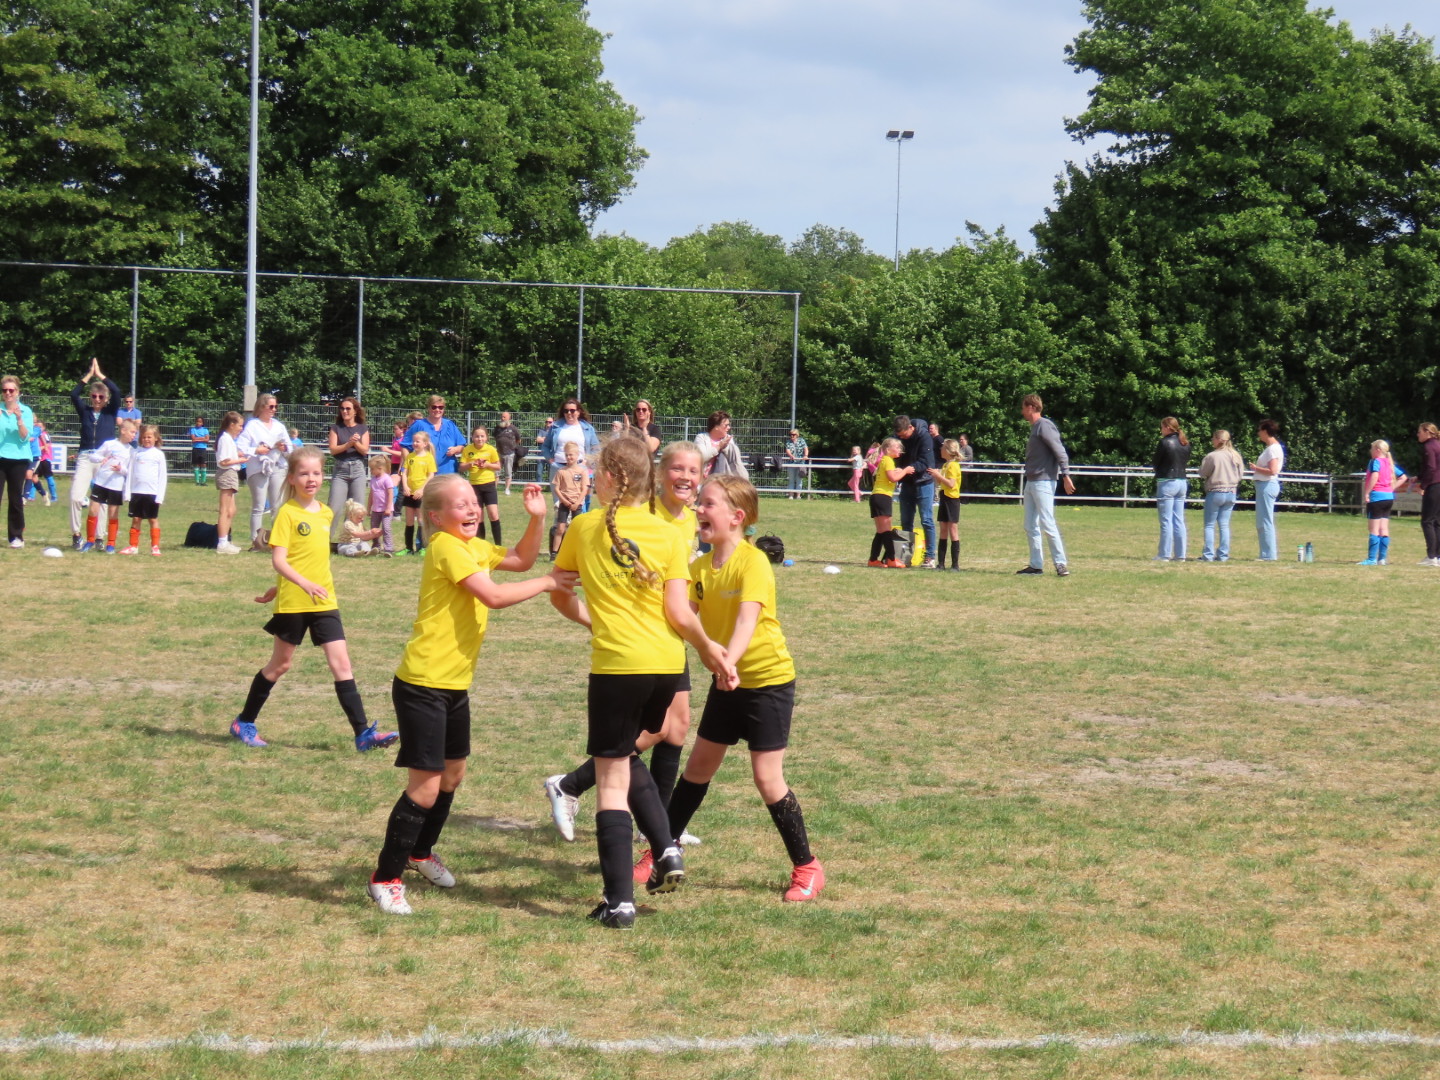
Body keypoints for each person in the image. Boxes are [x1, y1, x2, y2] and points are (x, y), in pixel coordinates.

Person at [366, 474, 573, 915]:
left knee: (452, 776)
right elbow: (493, 596)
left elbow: (520, 559)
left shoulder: (471, 546)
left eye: (474, 502)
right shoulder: (445, 547)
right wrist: (548, 582)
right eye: (460, 505)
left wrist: (536, 519)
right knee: (425, 788)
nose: (473, 509)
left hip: (454, 685)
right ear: (437, 517)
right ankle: (385, 879)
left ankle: (420, 853)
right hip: (423, 683)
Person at [548, 436, 733, 928]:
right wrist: (707, 647)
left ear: (608, 478)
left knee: (612, 780)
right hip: (666, 667)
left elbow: (560, 595)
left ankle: (620, 903)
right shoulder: (670, 533)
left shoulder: (583, 527)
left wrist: (595, 622)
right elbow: (679, 612)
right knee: (626, 756)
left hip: (617, 667)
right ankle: (666, 847)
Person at [661, 475, 824, 902]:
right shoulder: (698, 568)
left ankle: (807, 868)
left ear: (736, 517)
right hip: (726, 679)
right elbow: (680, 619)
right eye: (698, 503)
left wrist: (726, 662)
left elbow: (746, 623)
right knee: (698, 768)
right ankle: (663, 851)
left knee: (767, 778)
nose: (698, 510)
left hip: (768, 682)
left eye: (707, 504)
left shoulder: (753, 563)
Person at [544, 441, 704, 846]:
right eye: (678, 469)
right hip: (646, 640)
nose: (686, 477)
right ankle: (579, 788)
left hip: (668, 637)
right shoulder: (638, 512)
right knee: (665, 728)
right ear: (658, 474)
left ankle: (660, 825)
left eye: (694, 470)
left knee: (676, 727)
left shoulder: (687, 519)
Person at [228, 446, 398, 753]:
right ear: (292, 478)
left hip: (325, 601)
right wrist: (294, 585)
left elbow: (309, 559)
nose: (311, 479)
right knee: (280, 665)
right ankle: (244, 721)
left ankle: (363, 734)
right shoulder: (287, 513)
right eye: (304, 473)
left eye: (317, 473)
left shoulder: (326, 513)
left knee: (342, 664)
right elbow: (280, 560)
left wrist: (284, 585)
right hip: (295, 602)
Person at [1016, 395, 1074, 576]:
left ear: (1031, 407)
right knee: (1030, 525)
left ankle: (1060, 564)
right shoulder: (1035, 427)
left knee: (1047, 523)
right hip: (1032, 481)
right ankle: (1036, 565)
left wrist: (1066, 475)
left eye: (1024, 407)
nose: (1022, 411)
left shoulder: (1044, 425)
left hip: (1043, 482)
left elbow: (1059, 450)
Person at [68, 358, 121, 549]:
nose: (97, 400)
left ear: (106, 399)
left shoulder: (110, 412)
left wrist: (100, 375)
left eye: (101, 397)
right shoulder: (85, 411)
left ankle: (99, 537)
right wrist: (89, 375)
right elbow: (74, 394)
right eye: (94, 396)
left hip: (104, 458)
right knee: (76, 497)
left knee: (102, 501)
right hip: (85, 457)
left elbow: (117, 391)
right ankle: (76, 534)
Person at [238, 394, 292, 547]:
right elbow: (240, 448)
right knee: (259, 506)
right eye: (271, 406)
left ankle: (278, 540)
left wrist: (284, 448)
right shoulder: (252, 425)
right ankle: (256, 540)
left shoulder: (279, 426)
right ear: (262, 407)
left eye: (276, 407)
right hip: (258, 467)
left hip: (277, 466)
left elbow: (290, 448)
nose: (274, 409)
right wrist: (256, 450)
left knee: (277, 505)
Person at [81, 418, 136, 553]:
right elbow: (93, 457)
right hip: (101, 482)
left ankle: (111, 544)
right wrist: (102, 459)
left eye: (135, 433)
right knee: (93, 510)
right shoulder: (109, 444)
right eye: (132, 432)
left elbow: (129, 471)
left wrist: (121, 469)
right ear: (123, 431)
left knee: (113, 514)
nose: (134, 435)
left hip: (116, 485)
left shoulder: (131, 451)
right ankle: (90, 541)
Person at [892, 415, 937, 568]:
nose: (901, 438)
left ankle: (930, 557)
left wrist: (908, 469)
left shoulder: (925, 437)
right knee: (906, 521)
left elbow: (926, 461)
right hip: (907, 484)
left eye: (903, 435)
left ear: (910, 427)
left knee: (926, 520)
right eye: (899, 436)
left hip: (924, 482)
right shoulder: (899, 437)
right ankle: (905, 557)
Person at [327, 398, 370, 543]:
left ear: (355, 411)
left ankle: (354, 542)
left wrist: (355, 443)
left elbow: (365, 450)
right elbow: (333, 450)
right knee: (334, 508)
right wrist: (348, 444)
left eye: (348, 409)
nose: (344, 411)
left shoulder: (362, 429)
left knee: (357, 509)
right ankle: (325, 541)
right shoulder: (336, 428)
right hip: (341, 470)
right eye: (342, 408)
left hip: (358, 470)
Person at [119, 423, 167, 556]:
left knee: (153, 519)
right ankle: (133, 546)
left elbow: (162, 477)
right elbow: (130, 473)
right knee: (136, 519)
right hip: (136, 492)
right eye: (144, 437)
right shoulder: (136, 453)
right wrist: (127, 493)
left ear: (156, 438)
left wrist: (160, 496)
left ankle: (155, 546)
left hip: (152, 493)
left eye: (149, 437)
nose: (146, 439)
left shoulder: (158, 455)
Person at [1358, 439, 1408, 565]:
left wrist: (1367, 492)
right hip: (1388, 498)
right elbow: (1403, 477)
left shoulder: (1375, 462)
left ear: (1378, 450)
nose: (1370, 451)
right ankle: (1382, 559)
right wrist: (1391, 488)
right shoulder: (1389, 463)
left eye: (1372, 448)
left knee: (1373, 529)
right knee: (1384, 529)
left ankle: (1371, 559)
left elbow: (1375, 476)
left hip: (1377, 497)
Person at [1198, 430, 1243, 562]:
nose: (1212, 440)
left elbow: (1203, 472)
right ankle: (1223, 554)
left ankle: (1208, 555)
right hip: (1231, 492)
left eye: (1213, 438)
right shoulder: (1235, 455)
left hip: (1215, 491)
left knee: (1209, 525)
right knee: (1224, 525)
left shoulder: (1212, 456)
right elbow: (1240, 475)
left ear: (1218, 440)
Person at [0, 374, 34, 547]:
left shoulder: (26, 411)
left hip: (19, 459)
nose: (8, 393)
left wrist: (19, 418)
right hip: (0, 456)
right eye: (4, 390)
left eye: (11, 390)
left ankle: (16, 536)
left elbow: (24, 437)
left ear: (18, 392)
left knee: (15, 499)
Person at [1153, 417, 1191, 561]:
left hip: (1167, 481)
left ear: (1168, 427)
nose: (1161, 430)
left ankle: (1164, 554)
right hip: (1182, 481)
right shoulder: (1184, 442)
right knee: (1179, 519)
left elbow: (1156, 462)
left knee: (1166, 520)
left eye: (1162, 427)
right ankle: (1181, 555)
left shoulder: (1165, 442)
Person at [538, 399, 600, 486]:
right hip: (558, 466)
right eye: (566, 411)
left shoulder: (588, 428)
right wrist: (550, 460)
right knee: (558, 494)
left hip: (580, 467)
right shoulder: (555, 427)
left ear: (578, 412)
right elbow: (545, 446)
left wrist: (587, 461)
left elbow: (596, 448)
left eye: (572, 410)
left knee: (579, 494)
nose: (569, 413)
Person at [458, 425, 502, 544]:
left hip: (489, 485)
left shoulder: (491, 449)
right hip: (474, 486)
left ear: (486, 437)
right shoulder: (468, 449)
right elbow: (461, 467)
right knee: (479, 516)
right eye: (477, 436)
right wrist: (470, 464)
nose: (480, 439)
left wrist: (487, 465)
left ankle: (498, 545)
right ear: (472, 437)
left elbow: (498, 466)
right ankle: (480, 545)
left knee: (493, 514)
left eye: (482, 436)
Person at [401, 396, 465, 475]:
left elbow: (462, 446)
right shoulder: (419, 425)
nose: (437, 410)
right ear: (428, 408)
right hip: (423, 474)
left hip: (448, 473)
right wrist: (409, 466)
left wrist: (456, 449)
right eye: (434, 407)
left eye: (440, 407)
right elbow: (405, 446)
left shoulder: (450, 425)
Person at [867, 437, 905, 567]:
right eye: (897, 447)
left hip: (876, 496)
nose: (900, 449)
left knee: (881, 531)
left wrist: (898, 471)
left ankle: (873, 560)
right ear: (888, 449)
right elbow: (892, 478)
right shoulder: (888, 460)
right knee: (887, 530)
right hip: (882, 497)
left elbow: (888, 475)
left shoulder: (884, 460)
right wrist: (905, 471)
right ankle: (891, 559)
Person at [548, 440, 589, 559]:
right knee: (560, 528)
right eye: (566, 455)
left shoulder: (582, 471)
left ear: (577, 455)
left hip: (577, 504)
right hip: (564, 503)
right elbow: (556, 488)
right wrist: (564, 500)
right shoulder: (561, 471)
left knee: (576, 530)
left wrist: (577, 502)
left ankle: (575, 553)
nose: (569, 457)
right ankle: (554, 553)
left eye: (571, 455)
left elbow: (584, 489)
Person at [214, 411, 247, 554]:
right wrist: (240, 460)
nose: (241, 429)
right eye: (240, 425)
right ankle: (222, 543)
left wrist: (237, 455)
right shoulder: (225, 439)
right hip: (227, 473)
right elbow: (224, 461)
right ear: (232, 425)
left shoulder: (229, 439)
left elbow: (228, 456)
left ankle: (226, 540)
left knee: (231, 510)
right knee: (225, 510)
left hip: (231, 473)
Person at [1252, 419, 1284, 561]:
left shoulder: (1273, 449)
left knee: (1265, 520)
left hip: (1267, 484)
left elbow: (1273, 470)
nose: (1258, 433)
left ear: (1265, 431)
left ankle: (1268, 554)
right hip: (1265, 485)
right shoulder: (1271, 448)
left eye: (1260, 430)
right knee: (1262, 520)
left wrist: (1255, 468)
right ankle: (1266, 553)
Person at [401, 430, 438, 555]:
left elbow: (431, 475)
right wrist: (405, 486)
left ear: (425, 443)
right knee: (409, 521)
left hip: (421, 494)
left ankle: (422, 547)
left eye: (418, 441)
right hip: (409, 493)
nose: (415, 443)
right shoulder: (410, 456)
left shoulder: (429, 458)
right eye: (414, 441)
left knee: (421, 521)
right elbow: (404, 473)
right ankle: (408, 548)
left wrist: (422, 489)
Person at [930, 438, 963, 570]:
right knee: (943, 529)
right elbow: (942, 483)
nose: (940, 449)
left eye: (943, 447)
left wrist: (938, 476)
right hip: (944, 497)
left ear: (949, 451)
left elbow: (951, 484)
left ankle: (955, 565)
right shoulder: (946, 465)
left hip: (952, 499)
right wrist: (936, 476)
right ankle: (941, 563)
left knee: (952, 530)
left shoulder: (953, 465)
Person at [694, 410, 748, 480]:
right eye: (726, 425)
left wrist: (725, 448)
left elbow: (734, 459)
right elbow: (701, 458)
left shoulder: (728, 439)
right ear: (716, 426)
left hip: (723, 480)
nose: (729, 427)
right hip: (702, 479)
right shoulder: (702, 438)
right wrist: (719, 447)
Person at [1415, 423, 1440, 566]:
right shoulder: (1438, 444)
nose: (1418, 434)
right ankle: (1437, 556)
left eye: (1419, 432)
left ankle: (1431, 557)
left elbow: (1431, 468)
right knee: (1437, 521)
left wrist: (1422, 486)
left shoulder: (1429, 446)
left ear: (1427, 432)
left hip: (1434, 486)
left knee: (1427, 521)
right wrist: (1418, 477)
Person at [368, 454, 397, 557]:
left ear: (380, 468)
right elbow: (371, 494)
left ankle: (388, 548)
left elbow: (390, 494)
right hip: (375, 510)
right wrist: (368, 508)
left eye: (372, 469)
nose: (371, 471)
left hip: (386, 510)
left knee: (386, 528)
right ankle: (376, 546)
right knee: (374, 529)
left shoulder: (386, 479)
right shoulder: (373, 480)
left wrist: (388, 508)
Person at [26, 421, 55, 506]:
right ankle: (41, 494)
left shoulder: (42, 433)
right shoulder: (31, 430)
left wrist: (43, 447)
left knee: (33, 475)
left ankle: (54, 496)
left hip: (42, 458)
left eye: (40, 426)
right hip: (29, 456)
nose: (38, 427)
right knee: (34, 477)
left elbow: (47, 444)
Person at [494, 411, 522, 494]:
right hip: (498, 453)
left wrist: (512, 446)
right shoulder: (497, 428)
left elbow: (518, 439)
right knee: (496, 472)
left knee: (508, 472)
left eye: (504, 417)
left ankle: (507, 489)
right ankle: (494, 489)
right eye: (502, 417)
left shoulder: (513, 428)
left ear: (509, 418)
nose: (502, 418)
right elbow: (494, 437)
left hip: (509, 454)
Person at [783, 428, 809, 499]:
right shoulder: (788, 442)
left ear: (797, 435)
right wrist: (791, 455)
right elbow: (787, 450)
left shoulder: (801, 440)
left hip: (800, 463)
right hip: (791, 463)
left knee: (799, 480)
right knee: (791, 480)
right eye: (790, 435)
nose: (792, 436)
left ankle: (798, 496)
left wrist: (805, 455)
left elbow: (806, 449)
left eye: (793, 435)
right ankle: (791, 495)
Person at [189, 416, 210, 486]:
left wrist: (197, 438)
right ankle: (197, 481)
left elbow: (207, 440)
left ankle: (203, 481)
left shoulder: (205, 430)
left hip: (203, 449)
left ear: (202, 423)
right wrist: (202, 438)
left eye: (200, 422)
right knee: (196, 464)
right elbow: (193, 439)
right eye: (197, 421)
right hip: (196, 448)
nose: (198, 423)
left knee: (203, 464)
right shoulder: (193, 430)